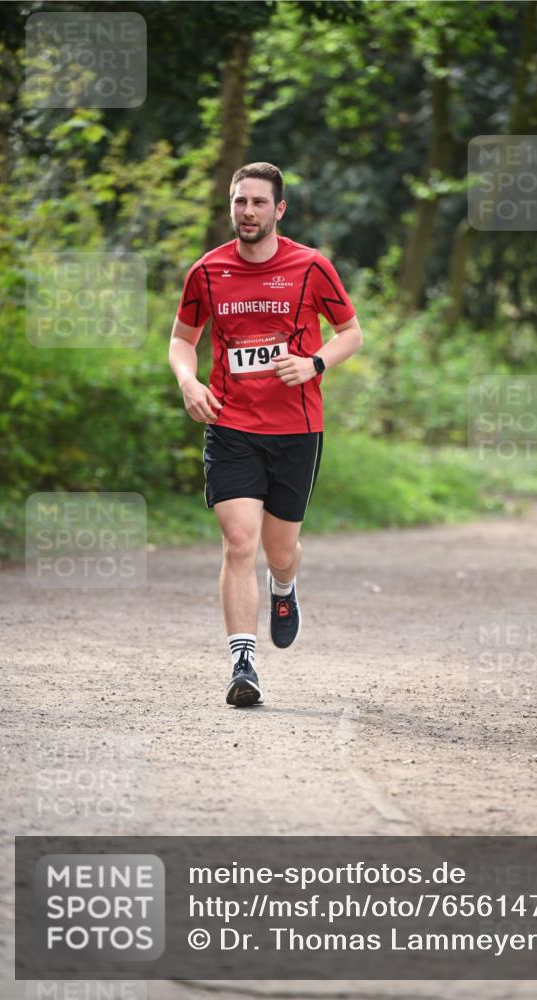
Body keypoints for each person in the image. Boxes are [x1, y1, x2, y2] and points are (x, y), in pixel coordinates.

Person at [169, 162, 363, 707]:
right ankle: (243, 663)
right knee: (238, 542)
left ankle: (284, 586)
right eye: (239, 202)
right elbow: (182, 339)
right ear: (230, 206)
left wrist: (315, 365)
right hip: (231, 424)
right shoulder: (207, 272)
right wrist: (188, 381)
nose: (247, 212)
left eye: (258, 203)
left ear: (279, 210)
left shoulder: (310, 267)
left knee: (280, 551)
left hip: (297, 429)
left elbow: (351, 333)